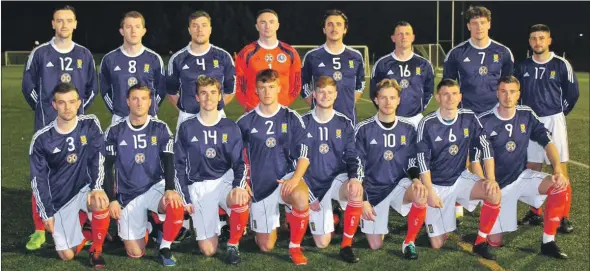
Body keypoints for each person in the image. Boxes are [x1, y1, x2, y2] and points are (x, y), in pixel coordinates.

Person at [22, 5, 98, 251]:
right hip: (46, 127)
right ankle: (39, 230)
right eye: (59, 21)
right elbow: (28, 86)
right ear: (52, 24)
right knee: (41, 177)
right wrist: (48, 112)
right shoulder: (40, 53)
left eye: (68, 21)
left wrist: (73, 114)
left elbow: (91, 89)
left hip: (77, 129)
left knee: (78, 175)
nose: (64, 25)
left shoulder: (84, 54)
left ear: (75, 24)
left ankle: (79, 225)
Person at [478, 76, 569, 259]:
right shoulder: (484, 120)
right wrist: (485, 182)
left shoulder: (526, 114)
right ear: (497, 93)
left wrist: (557, 169)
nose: (507, 96)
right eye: (503, 91)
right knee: (495, 241)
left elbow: (547, 141)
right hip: (498, 187)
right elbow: (474, 158)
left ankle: (548, 242)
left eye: (512, 91)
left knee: (560, 186)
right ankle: (485, 232)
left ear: (519, 94)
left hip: (521, 177)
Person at [416, 79, 501, 260]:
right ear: (438, 97)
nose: (450, 98)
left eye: (454, 93)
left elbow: (486, 146)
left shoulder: (469, 117)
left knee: (493, 192)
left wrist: (491, 178)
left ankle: (480, 242)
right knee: (437, 245)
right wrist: (430, 191)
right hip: (437, 184)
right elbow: (422, 161)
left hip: (460, 178)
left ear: (460, 97)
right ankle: (440, 225)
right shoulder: (428, 123)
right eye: (445, 94)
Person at [29, 82, 109, 268]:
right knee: (67, 256)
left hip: (84, 189)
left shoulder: (89, 124)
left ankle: (96, 250)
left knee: (99, 200)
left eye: (72, 102)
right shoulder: (42, 139)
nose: (67, 107)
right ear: (54, 105)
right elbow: (37, 180)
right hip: (60, 199)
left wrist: (97, 187)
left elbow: (98, 156)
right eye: (62, 102)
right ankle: (87, 229)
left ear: (79, 103)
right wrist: (46, 213)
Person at [103, 84, 185, 266]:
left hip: (154, 186)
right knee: (135, 252)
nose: (139, 103)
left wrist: (170, 189)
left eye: (143, 99)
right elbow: (107, 167)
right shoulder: (115, 131)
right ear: (127, 102)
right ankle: (152, 224)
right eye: (134, 98)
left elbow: (169, 160)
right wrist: (112, 199)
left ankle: (165, 247)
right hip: (128, 194)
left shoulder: (160, 128)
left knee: (174, 204)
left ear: (150, 102)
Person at [236, 69, 311, 265]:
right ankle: (266, 224)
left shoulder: (291, 117)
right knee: (266, 246)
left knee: (301, 196)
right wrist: (243, 182)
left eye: (271, 87)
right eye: (262, 88)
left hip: (286, 178)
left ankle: (295, 246)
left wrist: (295, 179)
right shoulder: (244, 122)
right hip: (260, 184)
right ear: (256, 91)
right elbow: (236, 158)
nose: (267, 91)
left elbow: (304, 155)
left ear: (279, 88)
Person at [174, 76, 248, 265]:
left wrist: (239, 186)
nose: (208, 98)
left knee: (240, 198)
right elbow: (179, 166)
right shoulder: (187, 128)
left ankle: (233, 245)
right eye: (204, 93)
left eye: (213, 93)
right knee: (208, 250)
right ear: (197, 97)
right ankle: (221, 224)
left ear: (220, 96)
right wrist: (185, 197)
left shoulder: (231, 127)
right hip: (199, 186)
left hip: (224, 181)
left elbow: (240, 163)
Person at [515, 24, 579, 232]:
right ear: (529, 41)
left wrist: (558, 115)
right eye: (533, 38)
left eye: (541, 38)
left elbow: (572, 94)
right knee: (532, 168)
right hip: (531, 121)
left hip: (553, 120)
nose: (537, 42)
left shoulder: (561, 65)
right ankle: (535, 212)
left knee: (559, 166)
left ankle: (562, 216)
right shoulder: (522, 66)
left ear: (549, 40)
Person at [357, 79, 428, 260]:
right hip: (373, 189)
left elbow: (413, 161)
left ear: (398, 100)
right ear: (375, 100)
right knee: (375, 245)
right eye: (383, 98)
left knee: (420, 193)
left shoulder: (409, 128)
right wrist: (363, 200)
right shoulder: (363, 129)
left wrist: (416, 180)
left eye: (392, 98)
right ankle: (376, 221)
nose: (388, 102)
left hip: (398, 184)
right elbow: (357, 168)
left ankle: (409, 242)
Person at [301, 76, 363, 263]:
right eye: (321, 91)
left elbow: (353, 156)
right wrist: (309, 195)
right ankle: (333, 217)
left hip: (337, 179)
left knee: (356, 190)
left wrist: (354, 178)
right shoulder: (302, 122)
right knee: (322, 243)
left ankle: (346, 246)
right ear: (314, 94)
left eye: (329, 92)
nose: (325, 95)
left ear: (336, 95)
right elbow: (293, 162)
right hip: (312, 183)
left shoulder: (344, 123)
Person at [167, 10, 236, 129]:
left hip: (217, 117)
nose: (200, 30)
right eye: (195, 26)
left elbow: (230, 90)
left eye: (204, 25)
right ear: (189, 30)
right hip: (187, 118)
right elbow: (171, 92)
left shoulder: (223, 56)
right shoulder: (177, 59)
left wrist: (214, 107)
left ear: (210, 29)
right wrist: (186, 109)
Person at [443, 5, 514, 114]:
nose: (479, 27)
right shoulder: (456, 53)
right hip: (466, 113)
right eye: (474, 23)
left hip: (496, 113)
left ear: (489, 24)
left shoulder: (503, 52)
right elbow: (447, 87)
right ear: (468, 26)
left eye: (483, 22)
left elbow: (510, 86)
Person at [99, 11, 166, 125]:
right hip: (120, 119)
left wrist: (149, 108)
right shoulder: (109, 59)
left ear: (143, 31)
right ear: (122, 31)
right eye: (128, 27)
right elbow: (105, 90)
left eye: (137, 27)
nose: (133, 31)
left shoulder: (154, 59)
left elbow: (161, 89)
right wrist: (117, 110)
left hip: (149, 119)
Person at [301, 9, 365, 123]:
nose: (334, 28)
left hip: (348, 119)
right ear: (324, 29)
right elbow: (303, 84)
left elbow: (360, 85)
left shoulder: (356, 56)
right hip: (319, 119)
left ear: (345, 29)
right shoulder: (312, 56)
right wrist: (317, 103)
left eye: (338, 24)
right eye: (330, 24)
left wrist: (348, 102)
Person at [235, 9, 302, 112]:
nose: (267, 26)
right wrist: (250, 105)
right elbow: (239, 85)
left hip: (281, 111)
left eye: (271, 22)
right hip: (254, 111)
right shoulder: (246, 53)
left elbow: (296, 85)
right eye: (263, 22)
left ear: (278, 25)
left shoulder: (290, 53)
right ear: (257, 26)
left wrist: (285, 103)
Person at [370, 21, 434, 127]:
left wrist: (420, 107)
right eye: (400, 34)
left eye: (407, 34)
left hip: (415, 119)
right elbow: (374, 91)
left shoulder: (424, 64)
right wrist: (386, 111)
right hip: (389, 118)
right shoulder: (382, 64)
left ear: (413, 37)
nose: (404, 37)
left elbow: (429, 90)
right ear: (393, 38)